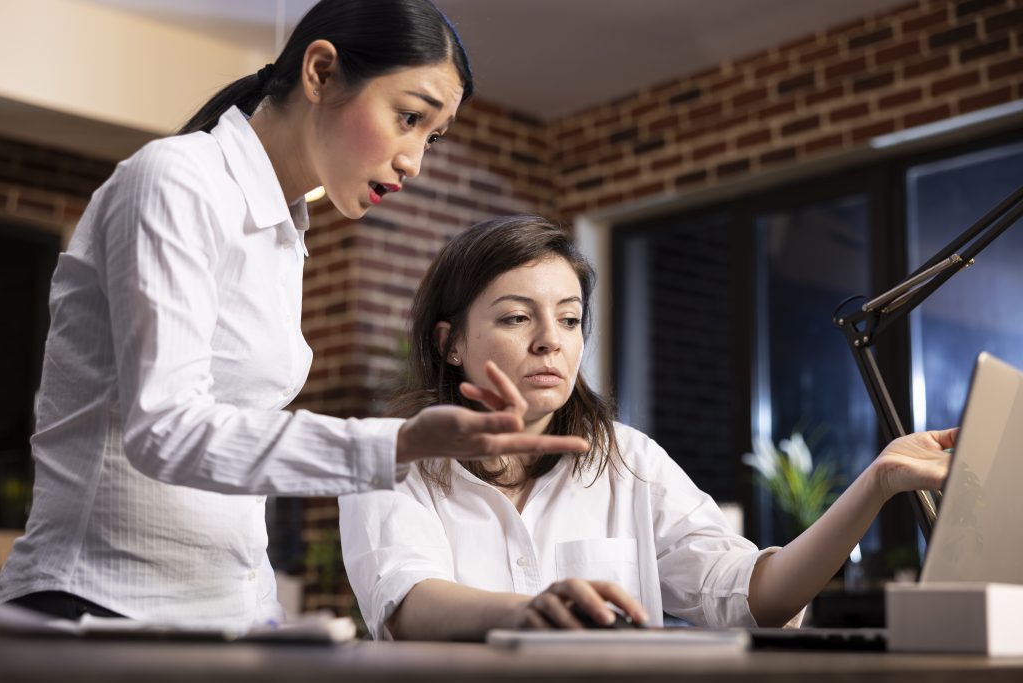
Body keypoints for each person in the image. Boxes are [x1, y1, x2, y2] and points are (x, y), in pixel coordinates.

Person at [0, 1, 587, 627]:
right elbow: (165, 430)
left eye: (432, 136)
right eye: (408, 117)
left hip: (232, 612)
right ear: (321, 72)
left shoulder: (284, 231)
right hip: (102, 604)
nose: (415, 159)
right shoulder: (176, 180)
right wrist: (401, 442)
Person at [338, 214, 956, 641]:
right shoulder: (390, 460)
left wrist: (875, 483)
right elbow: (410, 604)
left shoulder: (626, 459)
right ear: (451, 344)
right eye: (517, 318)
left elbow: (753, 598)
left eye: (570, 318)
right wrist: (536, 612)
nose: (551, 341)